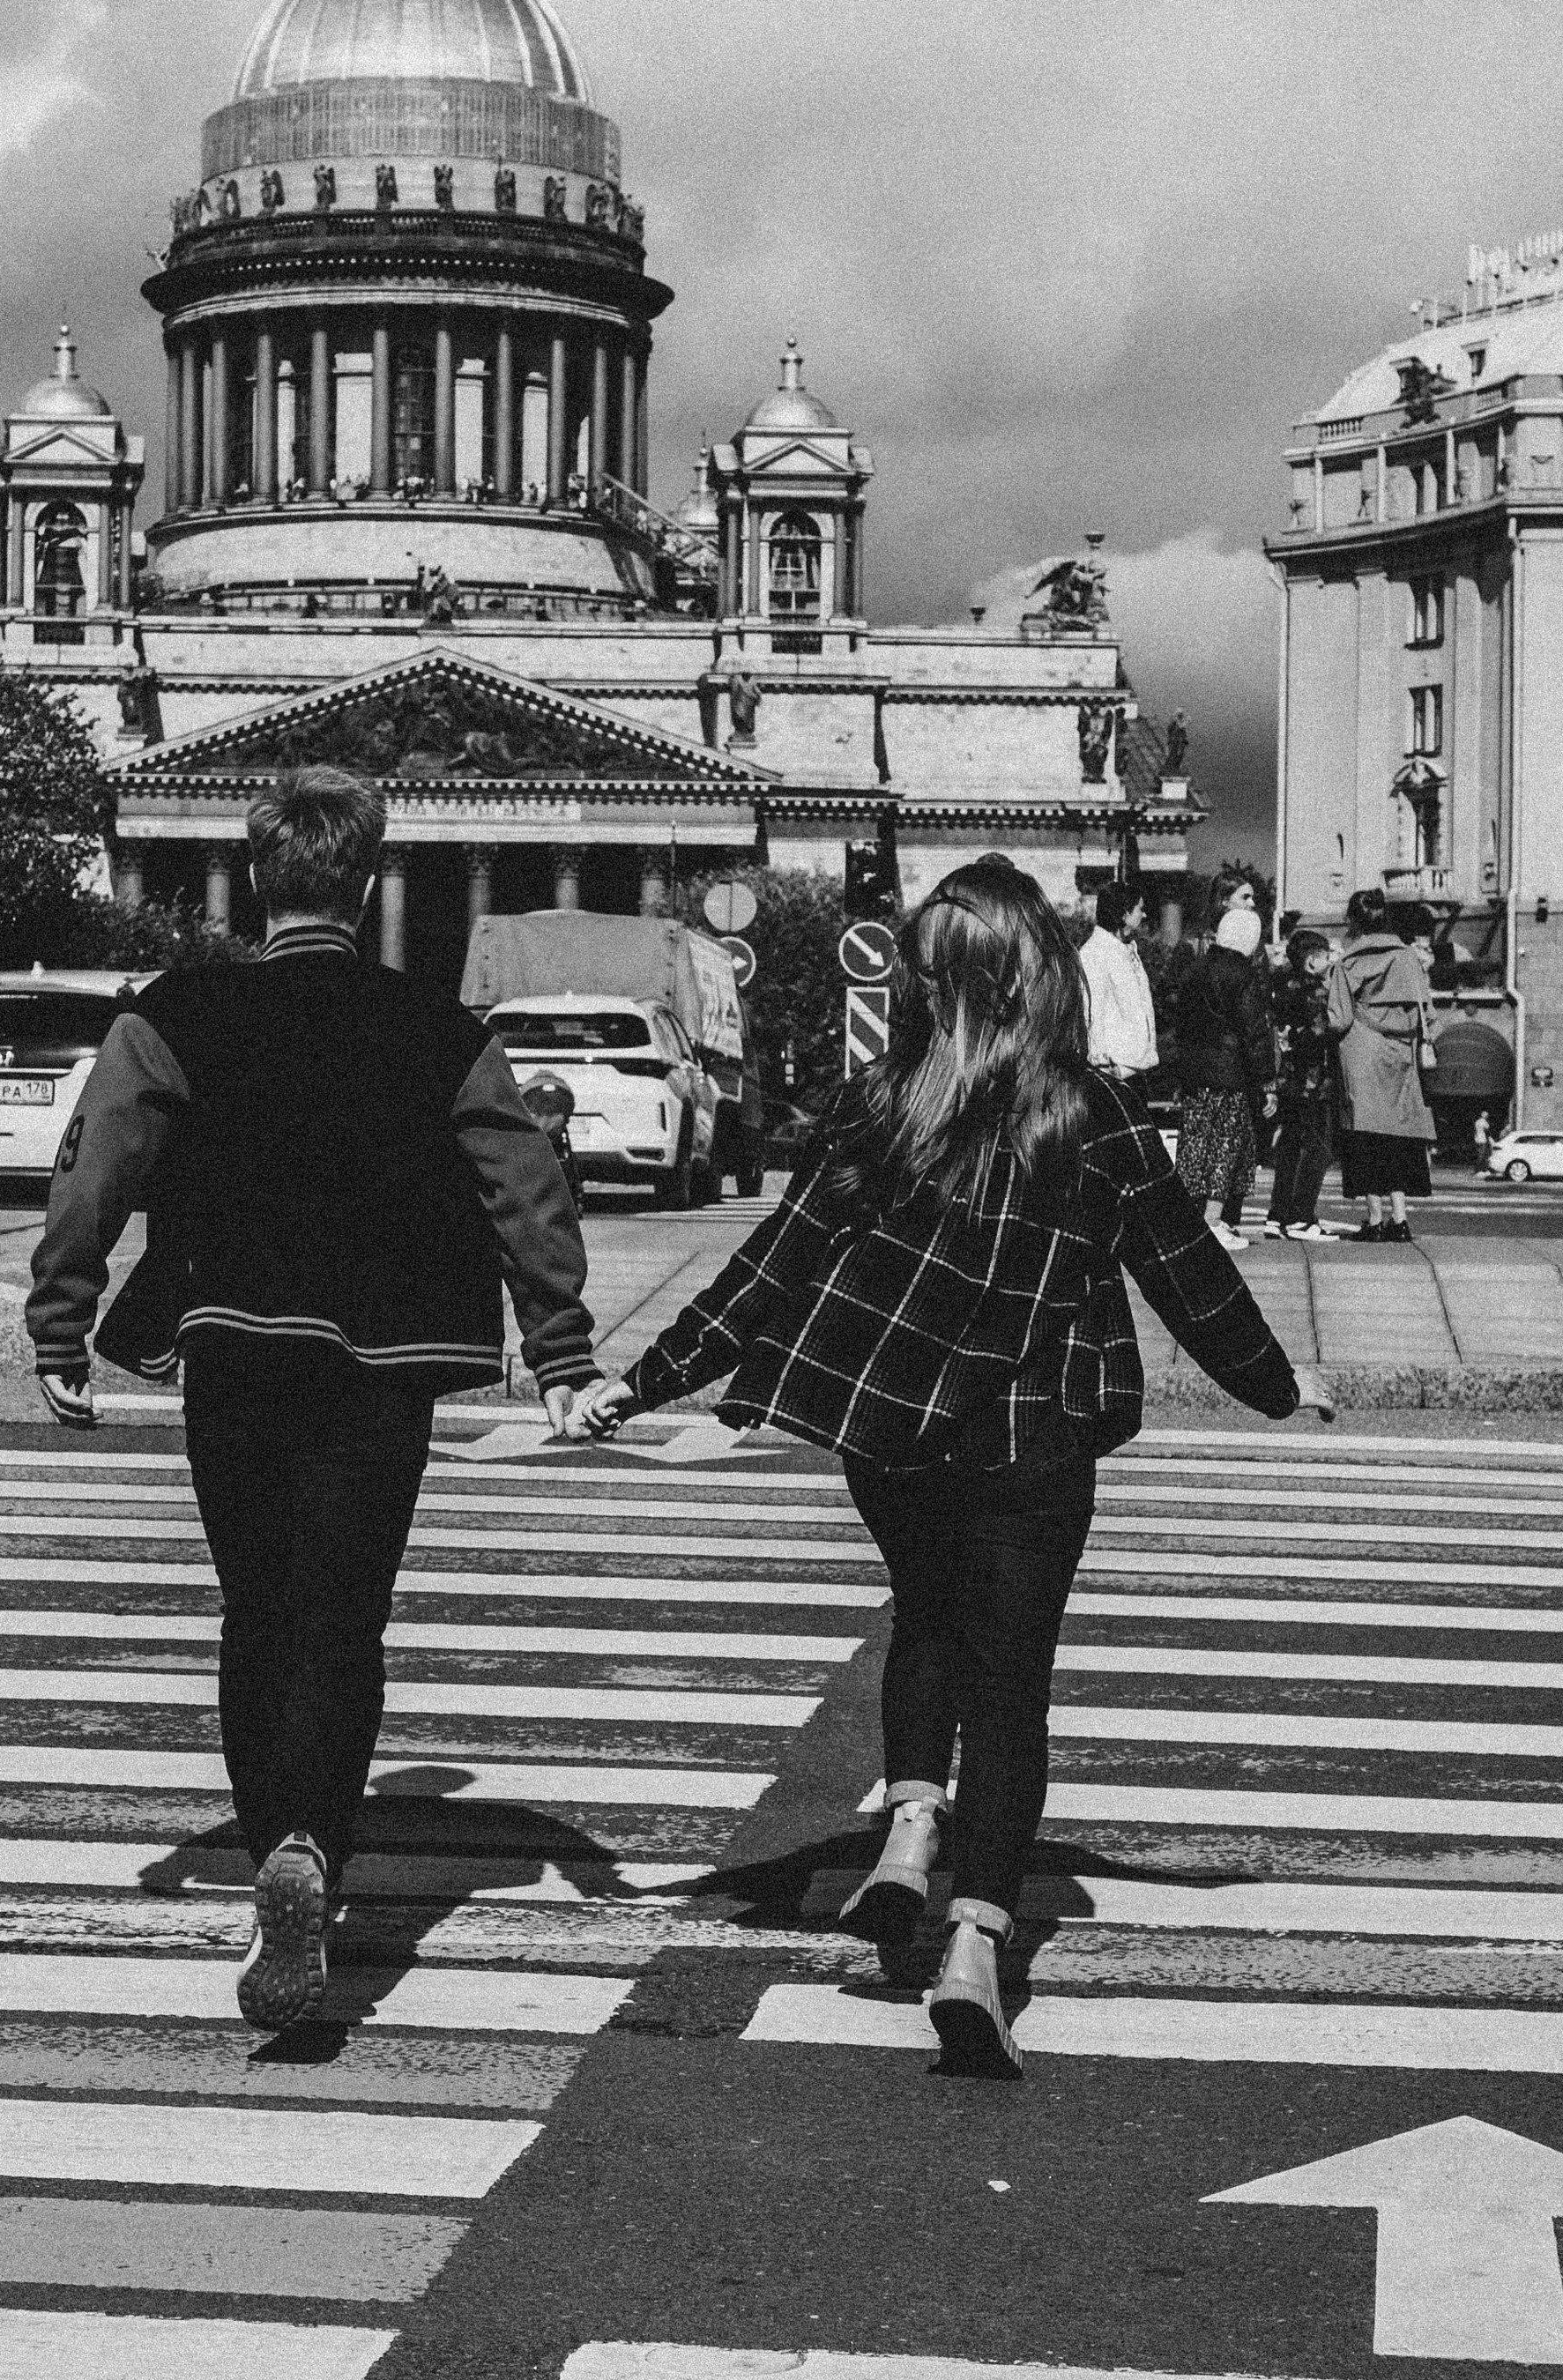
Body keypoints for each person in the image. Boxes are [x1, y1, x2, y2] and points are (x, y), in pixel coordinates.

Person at [567, 854, 1325, 2078]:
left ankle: (909, 1827)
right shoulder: (1094, 1114)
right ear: (1041, 976)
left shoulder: (884, 1101)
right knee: (1012, 1677)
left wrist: (642, 1380)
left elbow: (775, 1263)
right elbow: (1190, 1273)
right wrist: (1281, 1389)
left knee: (923, 1619)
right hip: (1036, 1434)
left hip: (896, 1434)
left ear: (932, 981)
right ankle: (975, 1950)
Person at [24, 764, 599, 2032]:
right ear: (370, 877)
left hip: (230, 1339)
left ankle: (271, 1835)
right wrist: (558, 1352)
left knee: (257, 1608)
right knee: (343, 1617)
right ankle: (316, 1854)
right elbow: (525, 1191)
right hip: (385, 1362)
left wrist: (61, 1317)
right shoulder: (441, 1032)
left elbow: (96, 1165)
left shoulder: (177, 1012)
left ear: (255, 870)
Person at [1329, 886, 1435, 1244]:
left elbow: (1339, 1018)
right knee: (1399, 1136)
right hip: (1401, 1051)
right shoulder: (1408, 957)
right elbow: (1427, 1013)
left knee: (1366, 1136)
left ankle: (1374, 1220)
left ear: (1354, 921)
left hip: (1361, 1049)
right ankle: (1400, 1218)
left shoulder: (1349, 962)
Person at [1172, 902, 1276, 1250]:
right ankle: (1213, 1221)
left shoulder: (1194, 971)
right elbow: (1255, 1033)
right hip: (1231, 1074)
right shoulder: (1244, 975)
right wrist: (1267, 1082)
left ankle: (1187, 1221)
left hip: (1193, 1072)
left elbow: (1180, 1026)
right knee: (1225, 1149)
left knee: (1195, 1146)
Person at [1262, 925, 1340, 1241]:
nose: (1330, 962)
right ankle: (1301, 1217)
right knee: (1318, 1148)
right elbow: (1322, 1034)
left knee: (1289, 1147)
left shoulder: (1284, 988)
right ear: (1311, 961)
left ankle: (1277, 1215)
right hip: (1313, 1082)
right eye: (1325, 957)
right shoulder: (1317, 992)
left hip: (1288, 1081)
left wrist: (1289, 1036)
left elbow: (1283, 1031)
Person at [1077, 883, 1158, 1084]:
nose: (1144, 914)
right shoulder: (1094, 953)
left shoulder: (1123, 950)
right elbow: (1090, 1011)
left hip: (1134, 1070)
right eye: (1140, 908)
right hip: (1111, 1075)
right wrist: (1102, 1065)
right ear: (1123, 914)